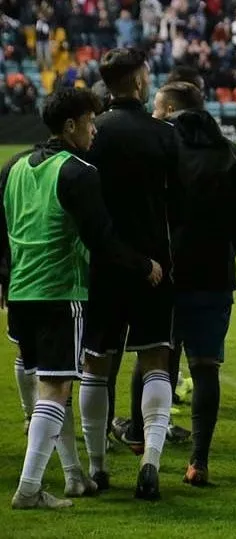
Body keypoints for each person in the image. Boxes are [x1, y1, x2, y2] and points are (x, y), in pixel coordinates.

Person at [2, 87, 161, 509]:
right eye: (90, 122)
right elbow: (102, 238)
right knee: (55, 391)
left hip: (21, 293)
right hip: (61, 293)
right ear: (70, 125)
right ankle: (30, 488)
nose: (95, 130)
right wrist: (143, 264)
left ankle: (72, 478)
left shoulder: (13, 168)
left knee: (46, 389)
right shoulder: (78, 171)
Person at [79, 47, 181, 500]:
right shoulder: (164, 134)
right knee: (156, 360)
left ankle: (98, 467)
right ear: (140, 80)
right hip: (153, 266)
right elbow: (181, 204)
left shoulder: (93, 135)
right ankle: (151, 460)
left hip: (100, 264)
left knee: (96, 365)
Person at [152, 81, 236, 485]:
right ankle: (199, 460)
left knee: (156, 362)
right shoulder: (229, 153)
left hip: (165, 275)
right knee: (205, 367)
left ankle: (147, 451)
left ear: (168, 110)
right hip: (215, 275)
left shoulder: (162, 151)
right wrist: (229, 247)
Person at [112, 63, 206, 456]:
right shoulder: (217, 153)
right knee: (165, 351)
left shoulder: (151, 143)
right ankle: (151, 436)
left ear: (169, 110)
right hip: (185, 268)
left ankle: (136, 433)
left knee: (122, 354)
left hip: (145, 262)